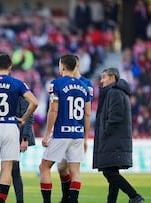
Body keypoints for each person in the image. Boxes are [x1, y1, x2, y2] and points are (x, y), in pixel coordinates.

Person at [0, 53, 38, 203]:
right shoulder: (18, 83)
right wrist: (22, 118)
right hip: (11, 126)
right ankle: (1, 201)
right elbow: (34, 102)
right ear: (10, 67)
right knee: (7, 167)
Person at [39, 54, 91, 203]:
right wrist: (85, 137)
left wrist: (47, 134)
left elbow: (53, 110)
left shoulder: (56, 84)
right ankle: (72, 201)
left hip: (62, 133)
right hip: (78, 134)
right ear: (76, 67)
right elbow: (87, 114)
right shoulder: (84, 86)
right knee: (75, 171)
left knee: (44, 167)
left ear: (62, 66)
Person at [93, 67, 145, 203]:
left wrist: (105, 132)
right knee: (112, 172)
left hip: (113, 140)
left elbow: (114, 117)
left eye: (104, 77)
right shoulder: (118, 92)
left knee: (109, 172)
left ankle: (134, 196)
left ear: (112, 78)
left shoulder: (114, 93)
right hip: (115, 139)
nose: (101, 80)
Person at [56, 55, 94, 203]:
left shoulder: (86, 84)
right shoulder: (63, 81)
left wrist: (85, 137)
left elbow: (87, 113)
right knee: (61, 167)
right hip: (63, 131)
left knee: (72, 169)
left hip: (76, 133)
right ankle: (67, 198)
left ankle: (70, 199)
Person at [12, 96, 35, 203]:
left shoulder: (22, 92)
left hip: (18, 135)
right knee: (11, 168)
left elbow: (29, 117)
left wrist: (25, 138)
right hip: (9, 134)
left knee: (13, 168)